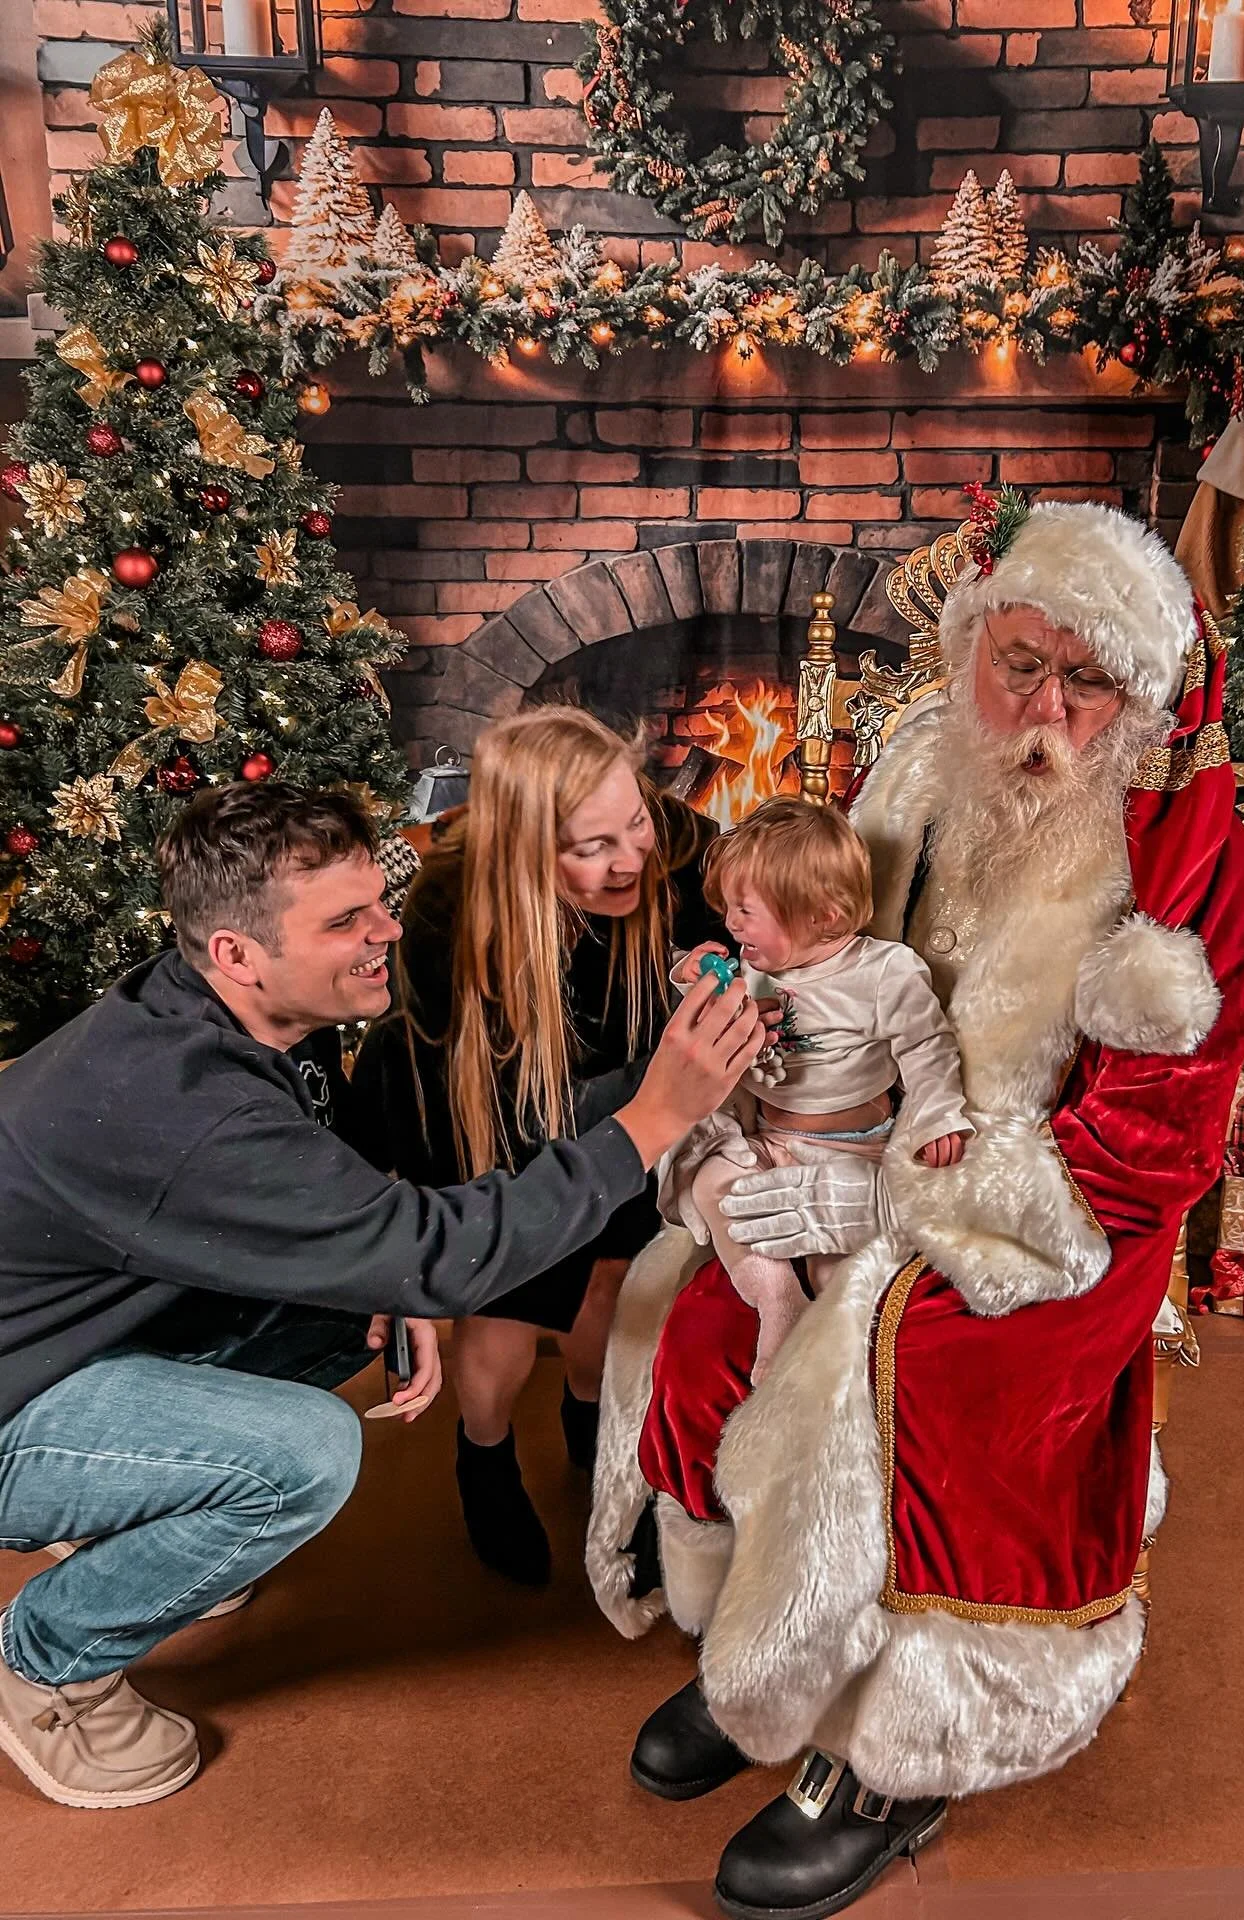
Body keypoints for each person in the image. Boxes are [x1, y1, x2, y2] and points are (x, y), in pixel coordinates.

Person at [585, 501, 1244, 1920]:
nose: (1046, 708)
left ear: (1139, 698)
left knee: (934, 1372)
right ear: (971, 650)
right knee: (717, 1319)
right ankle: (760, 1657)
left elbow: (1159, 1134)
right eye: (1022, 664)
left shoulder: (1188, 842)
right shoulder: (911, 771)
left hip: (1054, 1212)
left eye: (1088, 682)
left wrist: (969, 1208)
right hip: (867, 1147)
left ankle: (899, 1747)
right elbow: (823, 973)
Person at [0, 781, 763, 1812]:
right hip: (17, 1395)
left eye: (379, 903)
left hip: (56, 1331)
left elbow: (370, 1187)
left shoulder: (249, 1010)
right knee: (304, 1456)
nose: (387, 931)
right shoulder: (188, 1109)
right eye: (347, 921)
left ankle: (136, 1515)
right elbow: (446, 1256)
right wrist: (649, 1120)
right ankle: (48, 1662)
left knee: (342, 1309)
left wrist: (379, 1262)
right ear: (237, 950)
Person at [348, 708, 727, 1585]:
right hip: (491, 1118)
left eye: (633, 822)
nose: (629, 857)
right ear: (524, 848)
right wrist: (663, 1077)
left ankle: (594, 1429)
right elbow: (523, 1115)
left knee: (611, 1284)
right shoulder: (448, 911)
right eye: (590, 847)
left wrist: (741, 950)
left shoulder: (663, 838)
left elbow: (754, 886)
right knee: (510, 1316)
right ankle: (483, 1457)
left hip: (632, 1100)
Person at [663, 798, 970, 1382]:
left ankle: (837, 1361)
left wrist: (937, 1117)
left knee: (843, 1273)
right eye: (729, 907)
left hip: (852, 1152)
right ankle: (776, 1297)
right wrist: (689, 974)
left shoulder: (883, 972)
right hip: (767, 1142)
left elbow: (928, 1048)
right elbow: (707, 1021)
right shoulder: (757, 968)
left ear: (823, 916)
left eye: (746, 911)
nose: (730, 924)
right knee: (710, 1180)